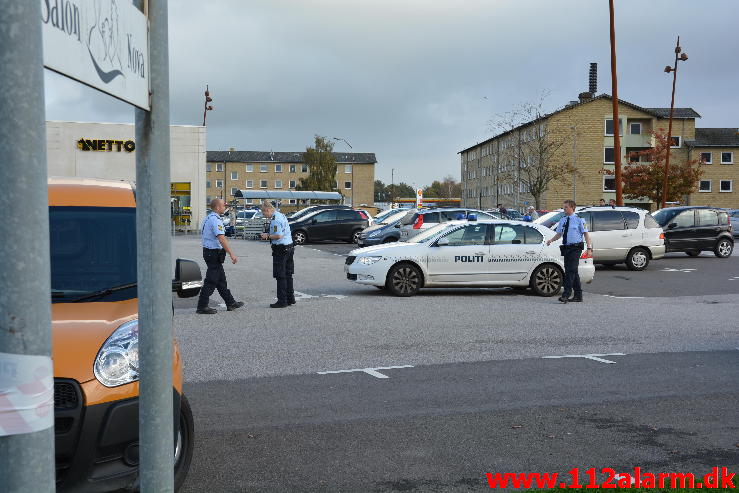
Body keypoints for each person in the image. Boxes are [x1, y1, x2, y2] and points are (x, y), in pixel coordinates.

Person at [196, 198, 244, 314]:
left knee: (221, 280)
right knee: (211, 281)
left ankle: (230, 302)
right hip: (213, 253)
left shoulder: (208, 218)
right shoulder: (215, 220)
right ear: (217, 207)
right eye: (223, 205)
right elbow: (221, 239)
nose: (225, 207)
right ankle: (202, 306)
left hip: (210, 252)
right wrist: (232, 254)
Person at [545, 199, 592, 303]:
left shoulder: (580, 220)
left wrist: (589, 248)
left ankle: (566, 294)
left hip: (576, 248)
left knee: (571, 270)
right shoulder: (563, 220)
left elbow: (586, 234)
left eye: (566, 207)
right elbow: (559, 234)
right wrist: (551, 240)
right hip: (567, 248)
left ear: (572, 208)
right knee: (572, 271)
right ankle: (578, 295)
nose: (564, 209)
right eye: (563, 207)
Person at [260, 201, 295, 308]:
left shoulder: (275, 220)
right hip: (289, 246)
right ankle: (290, 298)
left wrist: (267, 235)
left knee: (280, 275)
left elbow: (278, 235)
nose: (264, 216)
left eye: (264, 213)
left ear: (267, 210)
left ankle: (282, 301)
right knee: (288, 274)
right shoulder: (281, 215)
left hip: (280, 249)